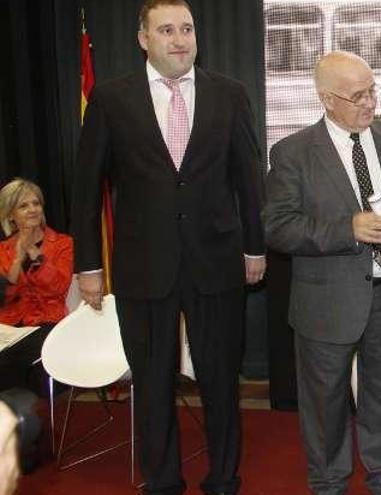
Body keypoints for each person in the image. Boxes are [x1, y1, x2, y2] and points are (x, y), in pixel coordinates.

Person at [71, 1, 266, 493]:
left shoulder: (230, 95)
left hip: (217, 263)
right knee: (153, 385)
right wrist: (88, 265)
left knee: (221, 382)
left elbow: (249, 180)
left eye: (187, 28)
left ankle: (223, 478)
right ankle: (162, 482)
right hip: (143, 267)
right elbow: (86, 190)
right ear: (143, 38)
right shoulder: (112, 100)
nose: (179, 39)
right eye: (166, 30)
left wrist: (255, 248)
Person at [263, 51, 381, 495]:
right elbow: (278, 226)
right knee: (324, 408)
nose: (370, 103)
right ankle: (329, 483)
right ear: (327, 99)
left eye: (372, 91)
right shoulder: (292, 153)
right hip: (325, 303)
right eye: (357, 96)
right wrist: (348, 229)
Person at [0, 179, 73, 394]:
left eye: (36, 203)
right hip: (10, 326)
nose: (33, 209)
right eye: (24, 206)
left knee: (11, 363)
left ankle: (21, 420)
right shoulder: (3, 249)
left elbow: (57, 287)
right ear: (11, 215)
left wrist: (33, 252)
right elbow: (3, 297)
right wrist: (16, 260)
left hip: (48, 323)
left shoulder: (63, 244)